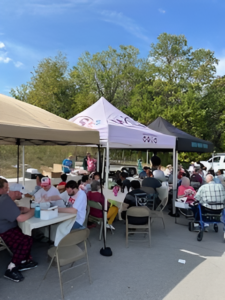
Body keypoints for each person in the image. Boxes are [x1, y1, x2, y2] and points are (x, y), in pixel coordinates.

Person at [0, 183, 37, 282]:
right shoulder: (6, 202)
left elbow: (11, 211)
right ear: (16, 192)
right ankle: (11, 269)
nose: (22, 195)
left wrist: (21, 210)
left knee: (27, 238)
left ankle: (23, 261)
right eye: (22, 193)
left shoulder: (6, 199)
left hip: (7, 227)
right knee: (25, 241)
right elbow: (21, 219)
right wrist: (33, 211)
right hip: (4, 231)